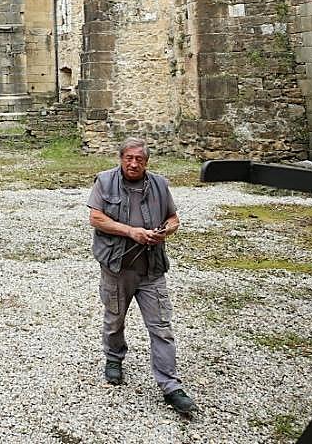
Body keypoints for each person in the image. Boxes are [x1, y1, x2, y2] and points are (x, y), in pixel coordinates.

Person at [87, 137, 197, 415]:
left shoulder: (159, 184)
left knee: (161, 328)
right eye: (129, 158)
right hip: (117, 267)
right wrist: (131, 231)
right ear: (121, 158)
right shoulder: (105, 181)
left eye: (140, 159)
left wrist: (165, 231)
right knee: (115, 320)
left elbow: (174, 218)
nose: (134, 163)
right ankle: (114, 359)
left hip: (152, 268)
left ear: (147, 162)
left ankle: (170, 386)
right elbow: (96, 218)